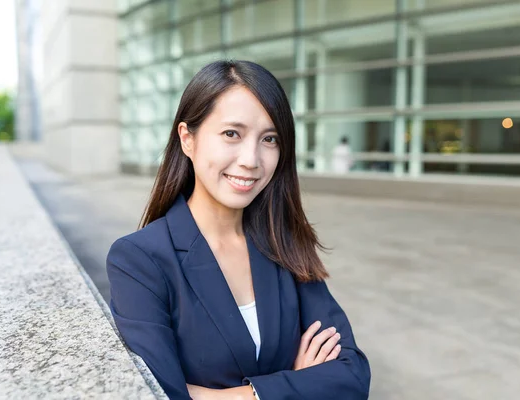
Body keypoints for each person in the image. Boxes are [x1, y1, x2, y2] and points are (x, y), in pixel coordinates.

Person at [106, 60, 370, 400]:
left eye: (270, 139)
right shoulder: (140, 260)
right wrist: (292, 382)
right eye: (232, 134)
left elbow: (352, 377)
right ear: (188, 139)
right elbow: (159, 393)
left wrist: (216, 396)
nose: (251, 159)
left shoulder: (283, 243)